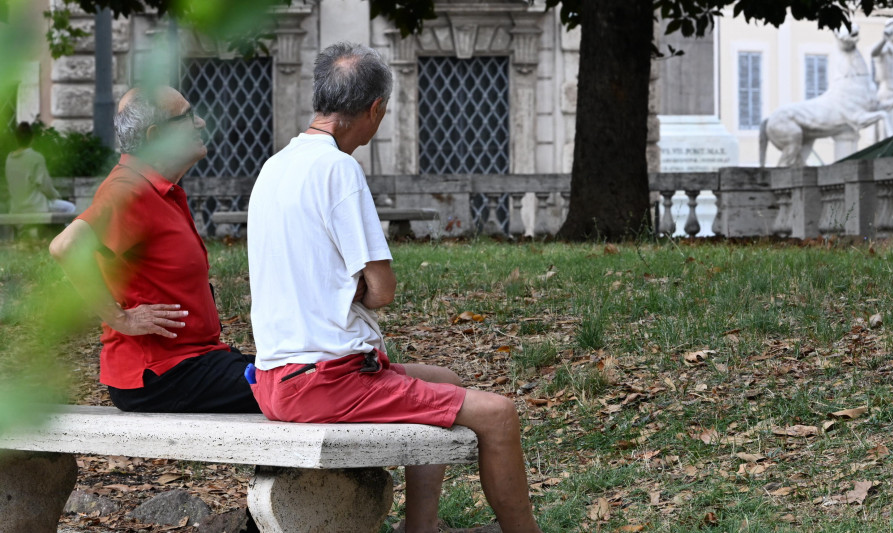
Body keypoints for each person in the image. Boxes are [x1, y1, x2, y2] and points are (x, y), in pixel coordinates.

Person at [246, 42, 542, 533]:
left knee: (443, 378)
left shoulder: (274, 167)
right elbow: (382, 290)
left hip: (277, 380)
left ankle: (420, 527)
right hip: (327, 381)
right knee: (499, 414)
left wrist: (331, 286)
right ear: (376, 108)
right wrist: (348, 288)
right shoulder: (339, 169)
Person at [49, 87, 259, 415]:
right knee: (297, 386)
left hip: (195, 363)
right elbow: (66, 245)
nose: (201, 122)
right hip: (160, 376)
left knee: (301, 374)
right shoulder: (128, 189)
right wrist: (122, 320)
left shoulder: (158, 189)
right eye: (188, 116)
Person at [5, 122, 76, 215]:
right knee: (71, 208)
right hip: (36, 206)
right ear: (32, 138)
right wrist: (56, 196)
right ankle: (66, 230)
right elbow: (45, 185)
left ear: (16, 139)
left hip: (16, 208)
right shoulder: (35, 157)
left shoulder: (9, 159)